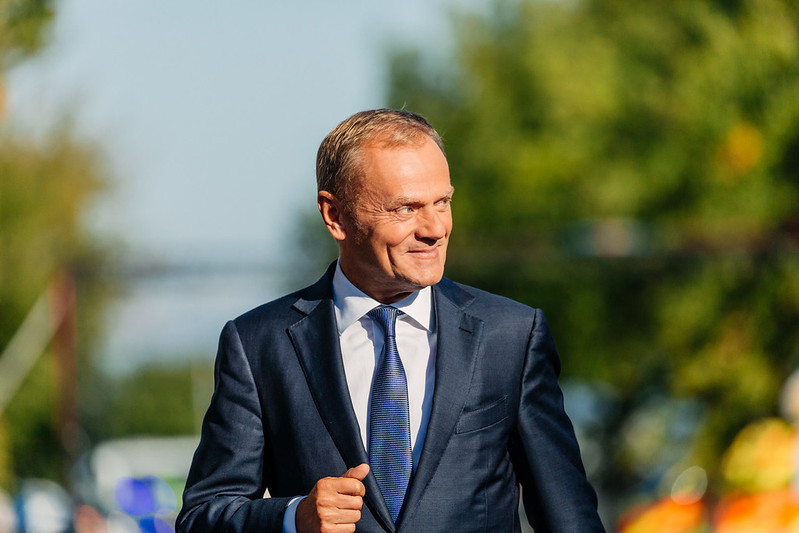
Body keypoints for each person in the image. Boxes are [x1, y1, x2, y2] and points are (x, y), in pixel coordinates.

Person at [177, 109, 605, 533]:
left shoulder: (510, 336)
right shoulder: (259, 345)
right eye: (406, 209)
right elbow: (202, 518)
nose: (434, 229)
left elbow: (568, 517)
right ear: (335, 215)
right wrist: (293, 517)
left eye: (442, 202)